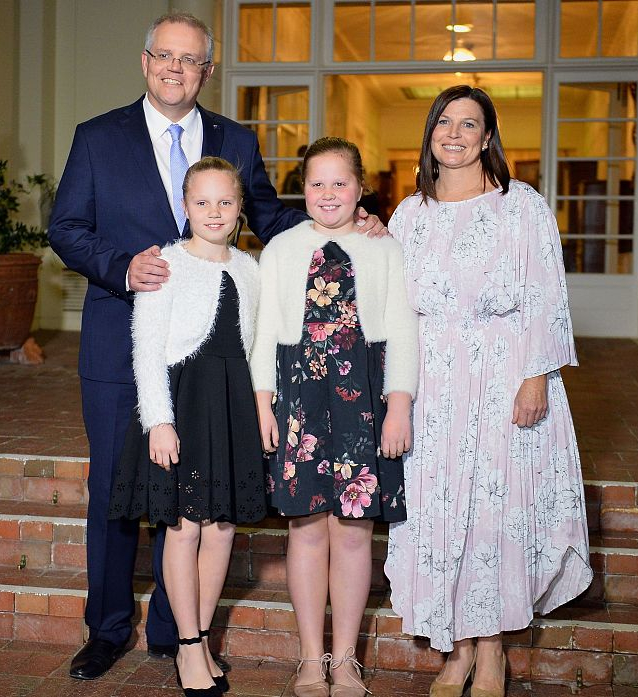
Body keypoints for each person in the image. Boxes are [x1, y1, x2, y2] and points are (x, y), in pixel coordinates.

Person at [47, 11, 386, 682]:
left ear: (207, 70)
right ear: (146, 62)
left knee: (194, 496)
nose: (175, 69)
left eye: (189, 59)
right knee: (115, 489)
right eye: (164, 56)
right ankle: (107, 629)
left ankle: (180, 634)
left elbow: (272, 217)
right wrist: (122, 268)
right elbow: (67, 227)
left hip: (210, 363)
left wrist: (346, 221)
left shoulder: (236, 138)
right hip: (122, 340)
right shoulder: (97, 137)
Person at [383, 85, 593, 697]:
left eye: (468, 123)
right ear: (430, 133)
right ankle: (456, 650)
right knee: (441, 512)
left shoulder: (520, 206)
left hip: (504, 377)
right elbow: (392, 305)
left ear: (487, 137)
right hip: (432, 384)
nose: (454, 133)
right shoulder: (408, 214)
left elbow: (547, 295)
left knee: (495, 514)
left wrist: (536, 377)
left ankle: (493, 650)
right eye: (443, 122)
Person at [250, 137, 419, 697]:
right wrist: (263, 404)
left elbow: (404, 330)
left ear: (361, 188)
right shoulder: (280, 249)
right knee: (305, 530)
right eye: (317, 183)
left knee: (352, 532)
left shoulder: (384, 248)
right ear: (302, 189)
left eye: (340, 183)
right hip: (298, 402)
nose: (328, 194)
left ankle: (345, 660)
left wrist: (399, 405)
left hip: (361, 403)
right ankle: (309, 658)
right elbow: (264, 335)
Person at [109, 157, 263, 697]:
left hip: (231, 405)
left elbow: (256, 346)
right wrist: (159, 421)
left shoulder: (251, 268)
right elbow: (146, 351)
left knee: (222, 528)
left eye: (225, 201)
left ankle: (201, 636)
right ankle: (188, 645)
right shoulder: (166, 265)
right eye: (202, 202)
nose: (214, 212)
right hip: (183, 404)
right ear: (185, 206)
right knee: (184, 526)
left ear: (240, 208)